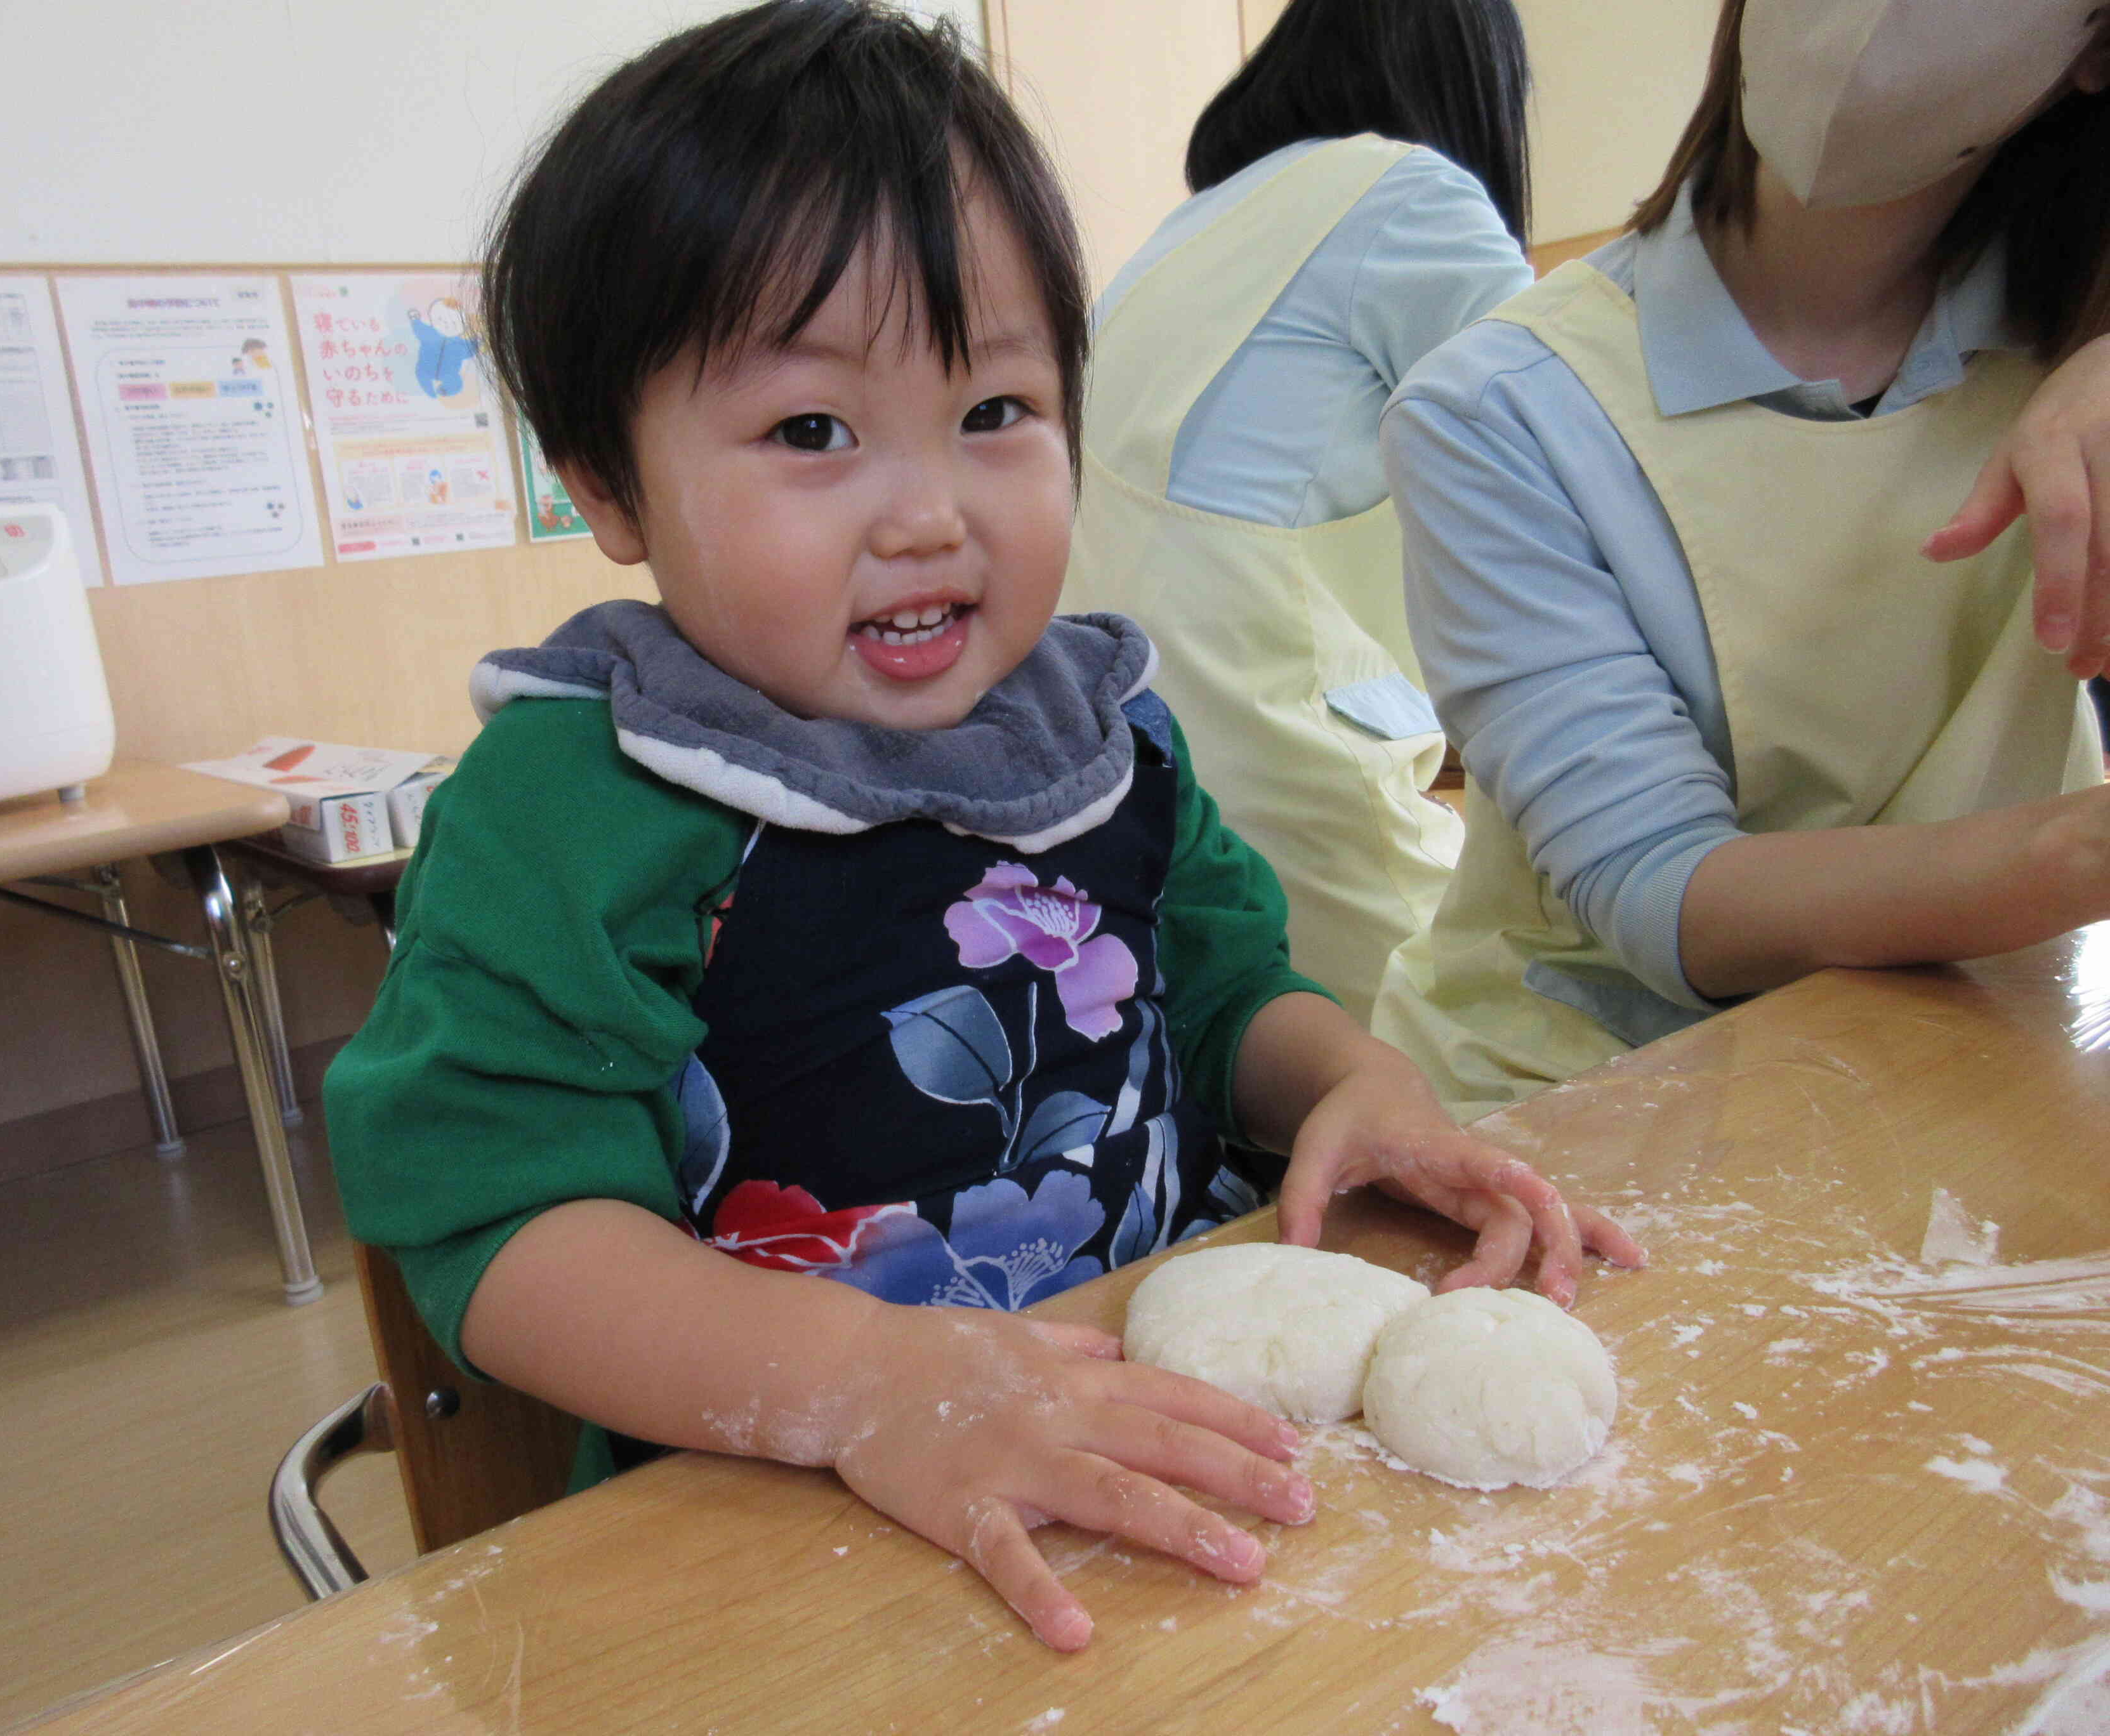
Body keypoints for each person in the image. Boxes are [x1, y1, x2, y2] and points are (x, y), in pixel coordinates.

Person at [324, 1, 1639, 1654]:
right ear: (605, 481)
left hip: (1155, 1461)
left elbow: (1225, 997)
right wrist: (865, 1386)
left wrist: (1353, 1085)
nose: (932, 514)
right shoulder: (582, 803)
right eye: (813, 432)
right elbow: (499, 1227)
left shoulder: (1101, 734)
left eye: (997, 410)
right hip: (790, 1541)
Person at [1369, 0, 2110, 1121]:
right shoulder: (1500, 407)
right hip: (1586, 1093)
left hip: (1972, 1045)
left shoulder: (2070, 338)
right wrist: (2077, 852)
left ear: (2092, 50)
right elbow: (1666, 890)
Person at [1059, 0, 1534, 1016]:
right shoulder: (1409, 193)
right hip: (1271, 757)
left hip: (1131, 765)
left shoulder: (1192, 228)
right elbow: (1576, 461)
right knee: (1497, 1022)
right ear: (1474, 84)